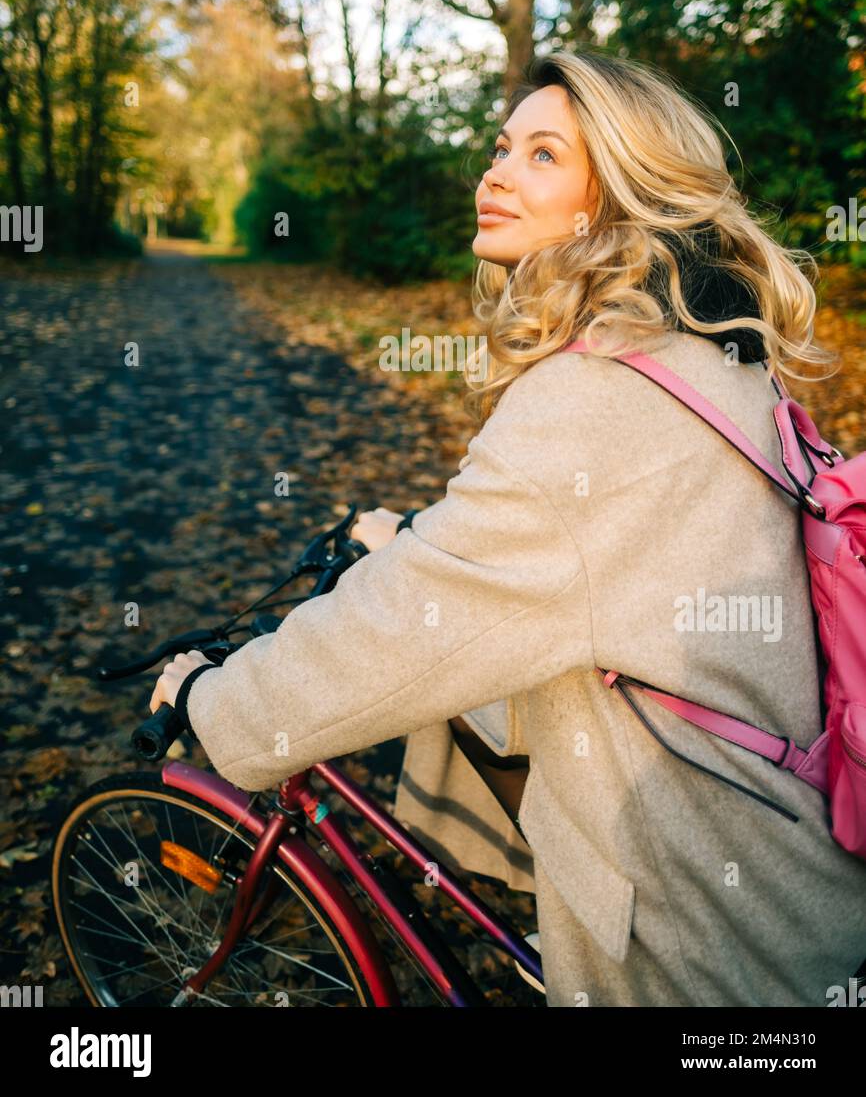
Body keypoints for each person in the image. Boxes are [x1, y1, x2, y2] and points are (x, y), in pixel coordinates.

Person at [150, 49, 866, 1007]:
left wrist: (215, 703)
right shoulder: (707, 349)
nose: (495, 172)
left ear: (619, 195)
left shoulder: (592, 397)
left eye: (542, 155)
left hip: (702, 933)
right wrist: (418, 537)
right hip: (793, 862)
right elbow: (599, 553)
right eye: (501, 147)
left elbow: (406, 628)